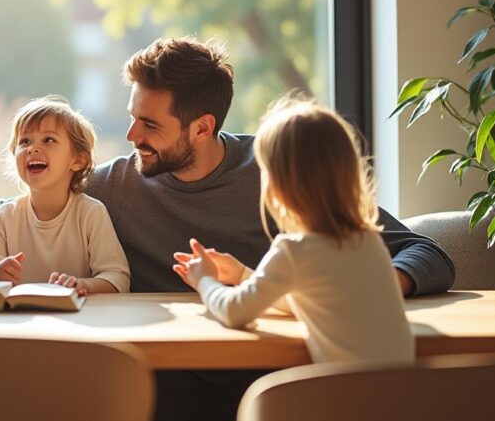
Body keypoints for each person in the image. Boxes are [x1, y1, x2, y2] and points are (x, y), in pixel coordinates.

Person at [0, 37, 453, 421]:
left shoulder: (276, 177)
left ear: (201, 128)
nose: (133, 136)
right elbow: (4, 209)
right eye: (131, 119)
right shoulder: (118, 183)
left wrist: (368, 287)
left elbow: (423, 252)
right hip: (166, 383)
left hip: (277, 382)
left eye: (149, 125)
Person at [173, 94, 414, 364]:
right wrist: (242, 274)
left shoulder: (294, 251)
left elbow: (234, 312)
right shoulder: (367, 242)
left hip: (348, 399)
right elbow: (309, 299)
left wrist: (204, 279)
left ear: (279, 186)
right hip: (401, 395)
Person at [0, 96, 129, 295]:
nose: (33, 148)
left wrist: (82, 286)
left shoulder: (91, 213)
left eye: (49, 140)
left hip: (79, 320)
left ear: (78, 160)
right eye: (24, 141)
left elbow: (118, 278)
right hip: (19, 321)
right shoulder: (4, 217)